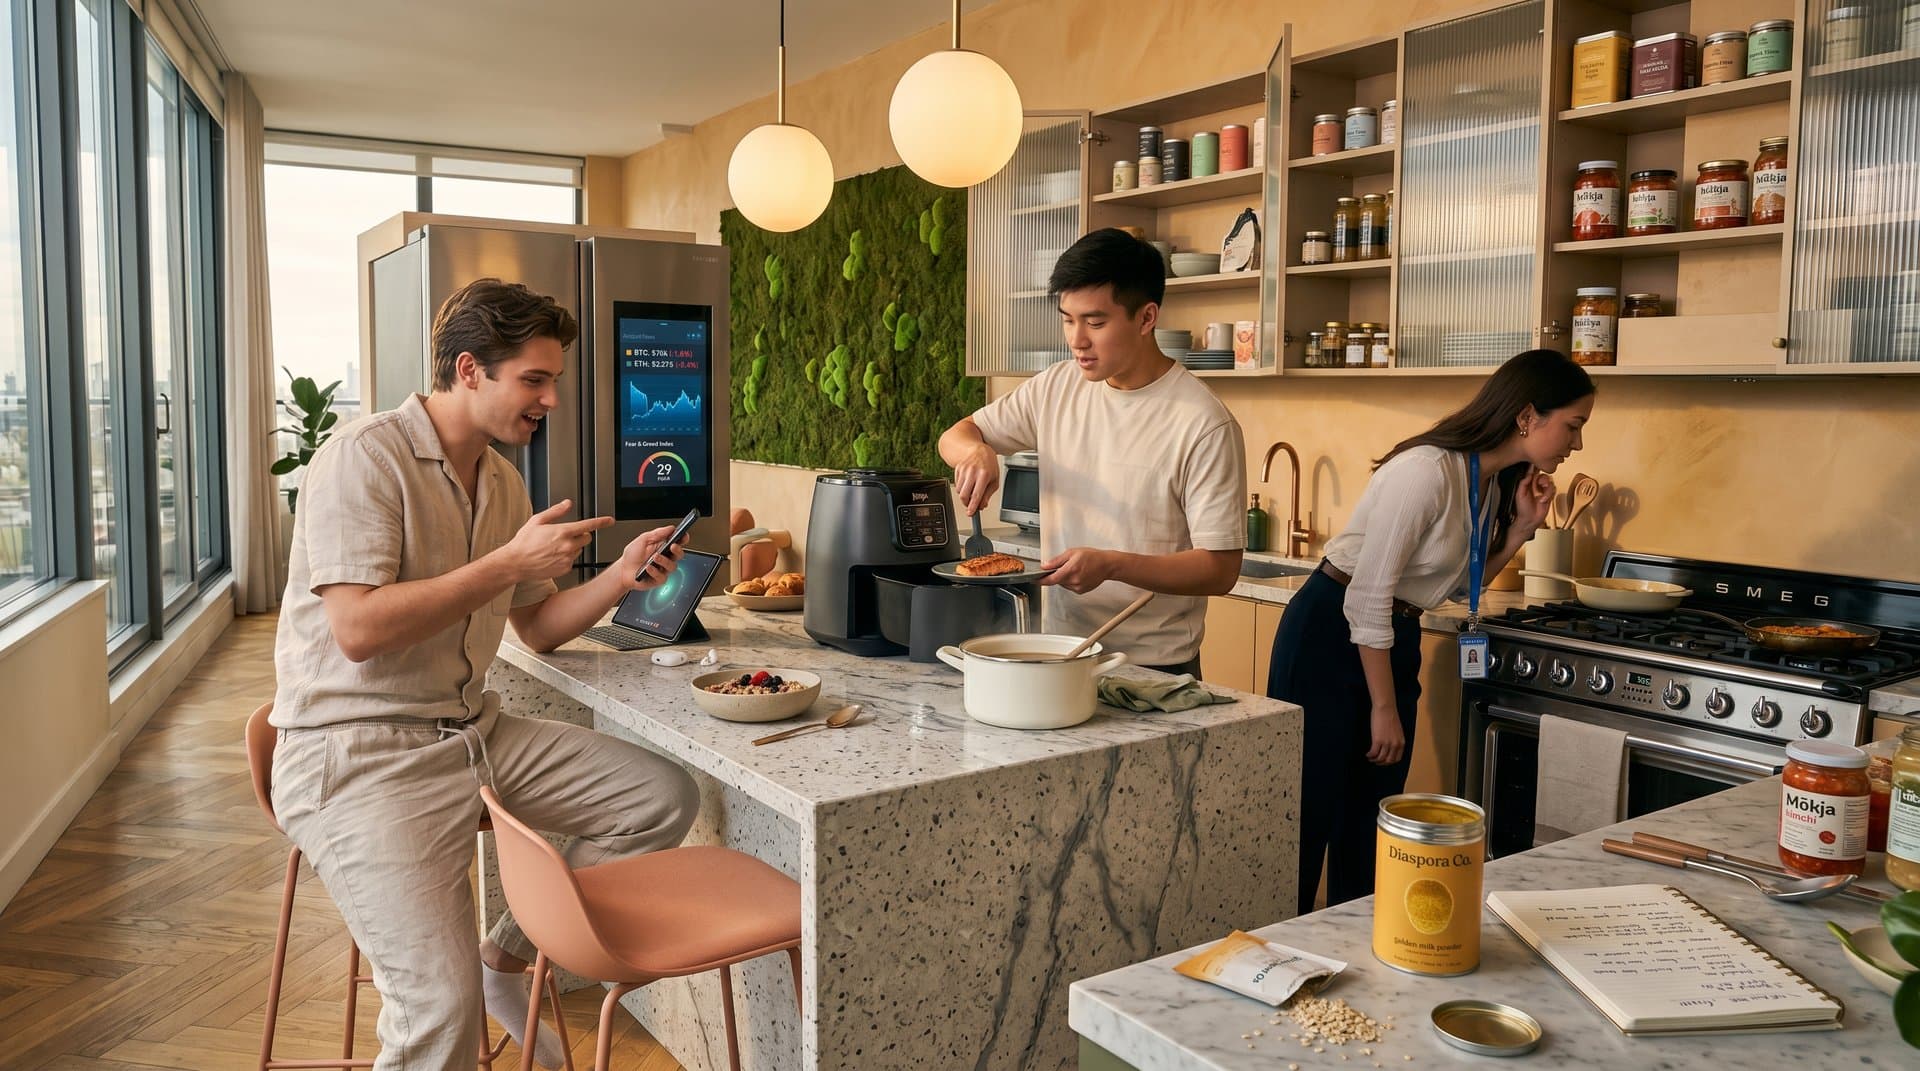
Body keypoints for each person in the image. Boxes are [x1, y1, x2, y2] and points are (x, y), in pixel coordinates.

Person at [270, 278, 701, 1069]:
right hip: (358, 755)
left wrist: (620, 578)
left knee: (660, 797)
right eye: (534, 380)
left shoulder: (501, 482)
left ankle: (503, 958)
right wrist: (505, 560)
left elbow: (536, 626)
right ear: (469, 370)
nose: (551, 400)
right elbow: (357, 629)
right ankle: (471, 981)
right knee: (438, 1008)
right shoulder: (363, 458)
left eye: (553, 380)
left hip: (472, 735)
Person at [1267, 349, 1594, 916]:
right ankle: (1276, 961)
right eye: (1574, 425)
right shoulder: (1427, 471)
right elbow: (1365, 598)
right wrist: (1383, 707)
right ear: (1527, 416)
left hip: (1392, 640)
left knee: (1371, 818)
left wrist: (1518, 530)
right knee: (1308, 813)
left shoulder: (1487, 483)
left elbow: (1453, 589)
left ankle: (1357, 954)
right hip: (1330, 634)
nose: (1577, 444)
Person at [940, 228, 1246, 675]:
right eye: (1068, 319)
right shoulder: (1056, 386)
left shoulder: (1202, 422)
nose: (1077, 339)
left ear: (1146, 318)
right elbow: (956, 434)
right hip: (1060, 653)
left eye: (1095, 323)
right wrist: (975, 452)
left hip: (1153, 669)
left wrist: (1113, 565)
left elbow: (1220, 569)